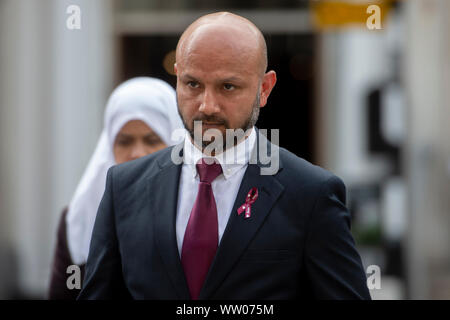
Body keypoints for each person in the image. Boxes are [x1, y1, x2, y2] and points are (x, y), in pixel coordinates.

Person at [78, 12, 371, 300]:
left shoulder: (311, 194)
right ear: (177, 78)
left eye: (227, 87)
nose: (208, 105)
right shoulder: (124, 186)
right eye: (193, 84)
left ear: (264, 89)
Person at [48, 77, 183, 299]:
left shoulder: (197, 213)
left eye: (152, 140)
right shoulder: (79, 218)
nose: (137, 153)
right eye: (125, 141)